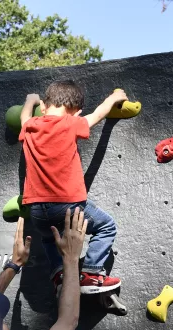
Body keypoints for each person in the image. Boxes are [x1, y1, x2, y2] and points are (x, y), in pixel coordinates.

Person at [18, 80, 128, 295]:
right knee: (106, 227)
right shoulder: (70, 124)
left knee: (50, 237)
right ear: (76, 112)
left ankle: (59, 275)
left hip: (37, 210)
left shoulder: (31, 127)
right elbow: (97, 115)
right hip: (67, 204)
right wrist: (113, 98)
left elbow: (24, 118)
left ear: (43, 107)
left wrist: (29, 101)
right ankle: (91, 274)